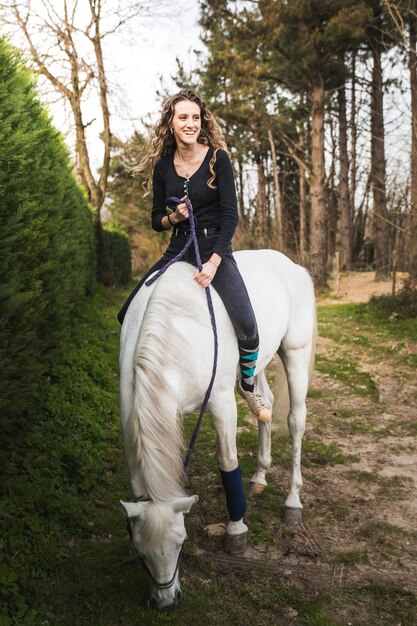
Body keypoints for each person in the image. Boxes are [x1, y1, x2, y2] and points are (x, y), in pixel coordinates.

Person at [118, 89, 271, 422]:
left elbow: (231, 215)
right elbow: (156, 219)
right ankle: (146, 377)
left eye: (195, 117)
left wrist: (215, 262)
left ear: (202, 122)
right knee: (126, 312)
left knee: (248, 325)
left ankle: (246, 383)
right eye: (182, 117)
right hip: (179, 247)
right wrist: (175, 218)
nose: (190, 123)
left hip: (216, 247)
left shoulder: (219, 159)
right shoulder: (162, 167)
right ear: (171, 123)